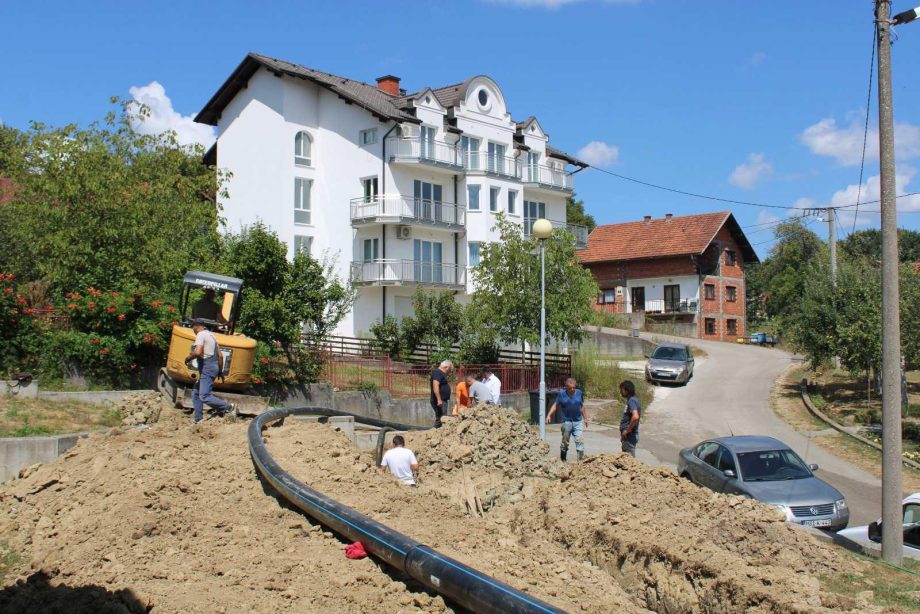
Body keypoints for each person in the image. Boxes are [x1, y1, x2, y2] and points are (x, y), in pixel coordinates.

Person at [184, 319, 234, 423]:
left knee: (204, 396)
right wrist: (220, 371)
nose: (193, 331)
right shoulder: (212, 336)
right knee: (196, 393)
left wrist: (188, 358)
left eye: (193, 328)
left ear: (195, 327)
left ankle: (228, 407)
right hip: (213, 367)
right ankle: (198, 419)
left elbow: (198, 352)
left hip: (207, 368)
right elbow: (220, 356)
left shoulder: (201, 335)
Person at [546, 378, 588, 461]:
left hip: (578, 421)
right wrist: (549, 415)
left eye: (573, 387)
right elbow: (555, 405)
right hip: (567, 422)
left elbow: (582, 406)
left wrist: (586, 418)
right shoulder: (562, 394)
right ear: (566, 387)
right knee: (565, 441)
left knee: (579, 440)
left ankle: (580, 461)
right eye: (570, 388)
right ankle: (563, 459)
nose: (572, 389)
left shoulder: (579, 393)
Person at [619, 380, 641, 457]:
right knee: (626, 459)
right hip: (629, 436)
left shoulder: (632, 400)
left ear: (627, 390)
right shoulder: (633, 399)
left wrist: (627, 431)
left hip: (629, 436)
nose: (620, 392)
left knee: (628, 460)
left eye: (621, 389)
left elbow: (635, 417)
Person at [429, 360, 454, 428]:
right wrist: (439, 399)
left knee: (442, 418)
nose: (450, 372)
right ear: (446, 367)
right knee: (441, 418)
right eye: (450, 370)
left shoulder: (440, 373)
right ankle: (434, 431)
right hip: (440, 400)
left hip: (442, 400)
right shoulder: (438, 373)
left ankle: (437, 431)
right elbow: (435, 386)